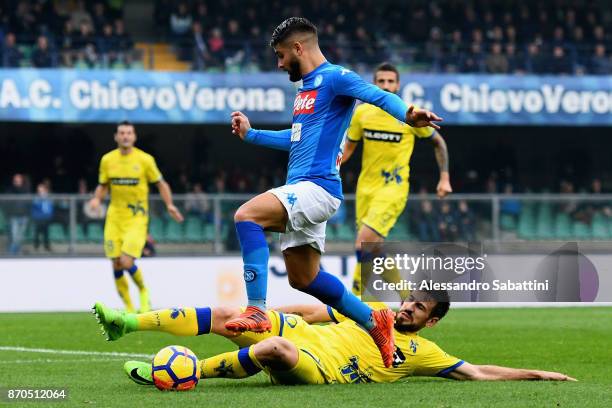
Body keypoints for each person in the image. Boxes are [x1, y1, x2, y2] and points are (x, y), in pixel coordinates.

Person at [227, 17, 442, 368]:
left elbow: (375, 95)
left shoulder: (335, 78)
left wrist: (409, 113)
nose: (280, 64)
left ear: (299, 48)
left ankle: (256, 310)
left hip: (317, 187)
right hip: (303, 188)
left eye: (281, 56)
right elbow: (295, 138)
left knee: (246, 215)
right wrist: (252, 135)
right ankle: (376, 321)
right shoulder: (306, 90)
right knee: (304, 278)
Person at [91, 290, 575, 386]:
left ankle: (184, 375)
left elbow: (477, 371)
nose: (407, 307)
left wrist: (537, 373)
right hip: (303, 331)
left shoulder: (422, 351)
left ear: (430, 322)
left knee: (272, 349)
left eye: (419, 309)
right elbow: (313, 308)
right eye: (410, 300)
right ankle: (127, 323)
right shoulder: (377, 311)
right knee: (228, 314)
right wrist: (259, 313)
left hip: (319, 368)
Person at [341, 62, 451, 296]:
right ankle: (407, 296)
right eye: (381, 81)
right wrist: (328, 170)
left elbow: (438, 142)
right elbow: (348, 148)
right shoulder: (362, 114)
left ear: (398, 85)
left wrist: (444, 178)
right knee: (373, 248)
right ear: (374, 84)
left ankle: (352, 302)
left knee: (364, 244)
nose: (386, 86)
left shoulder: (409, 114)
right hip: (366, 188)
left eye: (391, 81)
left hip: (393, 188)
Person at [89, 121, 184, 313]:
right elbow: (103, 185)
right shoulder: (107, 160)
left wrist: (169, 204)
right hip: (114, 218)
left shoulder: (145, 160)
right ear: (116, 137)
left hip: (136, 218)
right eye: (122, 133)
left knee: (126, 261)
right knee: (115, 263)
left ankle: (143, 290)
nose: (125, 136)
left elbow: (161, 183)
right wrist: (96, 199)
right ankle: (130, 309)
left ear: (134, 137)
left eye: (129, 133)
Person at [6, 173, 30, 255]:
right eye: (15, 179)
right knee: (14, 237)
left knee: (20, 237)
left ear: (21, 180)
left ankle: (17, 253)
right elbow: (7, 203)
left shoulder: (26, 189)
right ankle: (11, 254)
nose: (16, 180)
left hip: (24, 217)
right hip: (14, 216)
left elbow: (27, 200)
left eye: (18, 179)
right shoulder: (10, 190)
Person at [31, 182, 54, 252]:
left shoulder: (49, 197)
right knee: (37, 232)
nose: (40, 192)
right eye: (39, 190)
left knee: (46, 233)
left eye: (42, 190)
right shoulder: (36, 198)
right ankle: (36, 246)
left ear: (45, 190)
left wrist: (49, 215)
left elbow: (50, 208)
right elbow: (35, 207)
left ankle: (47, 246)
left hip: (46, 218)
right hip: (38, 218)